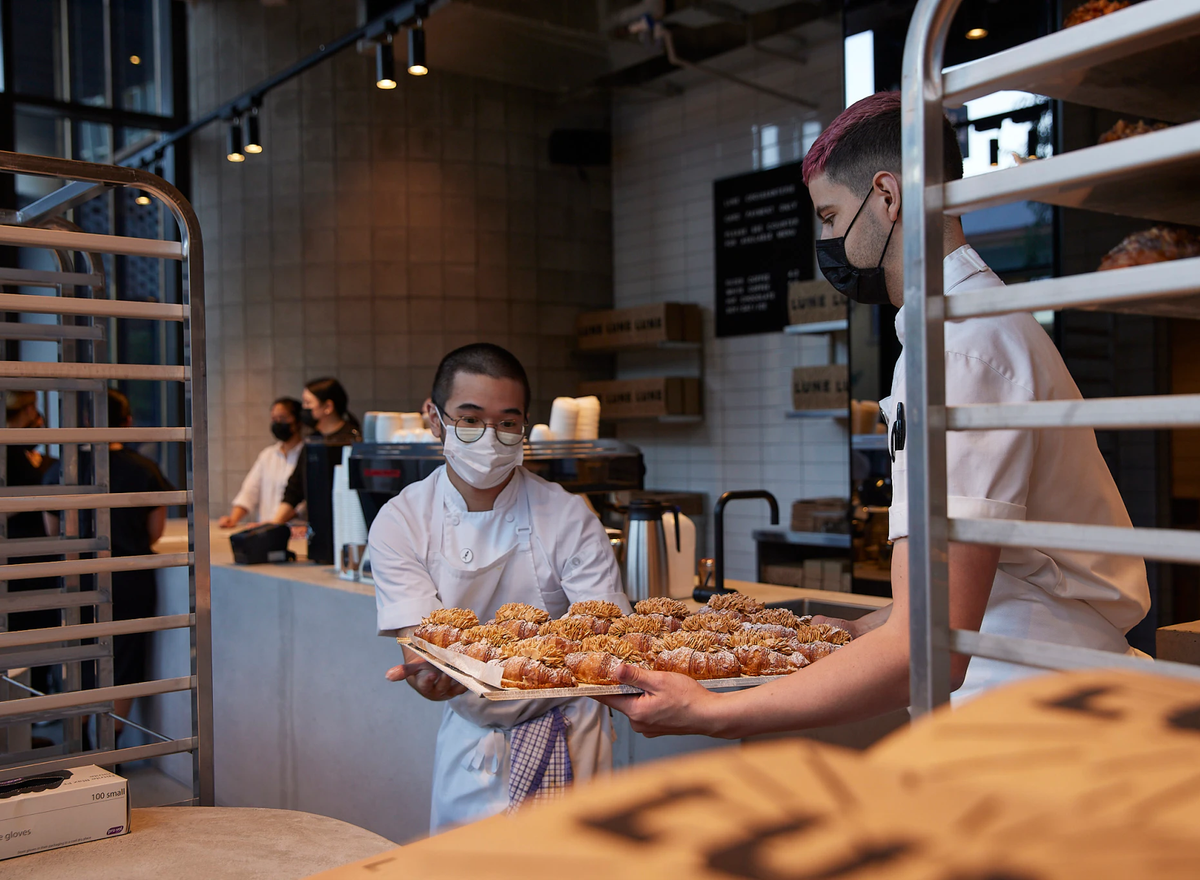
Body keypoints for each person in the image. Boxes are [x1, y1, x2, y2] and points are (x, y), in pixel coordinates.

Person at [598, 91, 1150, 738]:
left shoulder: (961, 350)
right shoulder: (955, 333)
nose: (826, 241)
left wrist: (713, 711)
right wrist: (856, 630)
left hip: (1036, 715)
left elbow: (933, 648)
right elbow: (953, 603)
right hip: (1023, 699)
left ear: (888, 197)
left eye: (830, 216)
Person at [369, 343, 627, 832]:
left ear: (524, 425)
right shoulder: (402, 521)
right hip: (472, 743)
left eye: (507, 423)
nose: (490, 438)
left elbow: (605, 636)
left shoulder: (569, 516)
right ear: (433, 416)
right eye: (470, 420)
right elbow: (421, 646)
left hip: (571, 736)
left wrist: (478, 664)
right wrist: (428, 674)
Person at [46, 390, 175, 734]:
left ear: (86, 421)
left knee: (80, 657)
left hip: (77, 579)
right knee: (124, 662)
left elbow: (54, 532)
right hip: (129, 579)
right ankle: (110, 744)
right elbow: (154, 533)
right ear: (128, 422)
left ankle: (82, 741)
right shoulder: (145, 469)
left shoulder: (64, 468)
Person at [269, 378, 361, 525]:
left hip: (348, 525)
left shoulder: (352, 440)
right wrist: (273, 525)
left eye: (308, 403)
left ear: (328, 406)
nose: (304, 409)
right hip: (318, 526)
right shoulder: (313, 441)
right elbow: (294, 488)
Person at [218, 397, 304, 528]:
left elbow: (303, 500)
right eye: (274, 419)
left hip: (297, 531)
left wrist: (277, 522)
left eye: (282, 418)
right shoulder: (268, 455)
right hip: (266, 531)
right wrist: (233, 519)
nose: (278, 423)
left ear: (297, 420)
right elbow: (250, 491)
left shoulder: (307, 454)